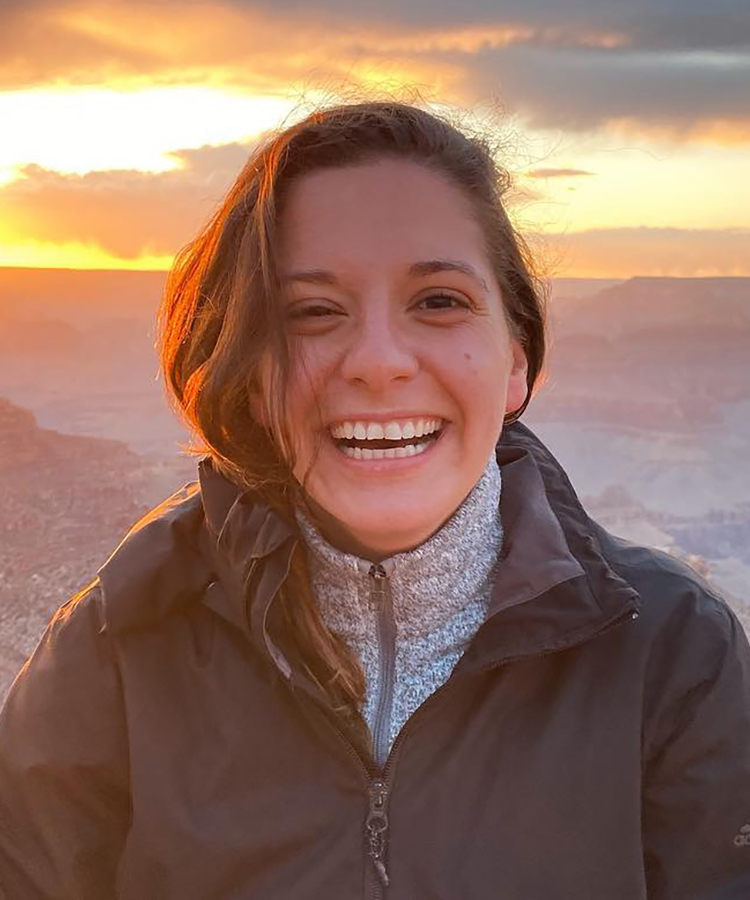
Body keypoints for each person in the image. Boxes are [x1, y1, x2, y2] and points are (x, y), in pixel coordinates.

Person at [0, 100, 748, 900]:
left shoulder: (671, 653)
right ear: (251, 378)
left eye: (438, 301)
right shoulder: (118, 649)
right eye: (313, 313)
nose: (379, 361)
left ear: (516, 363)